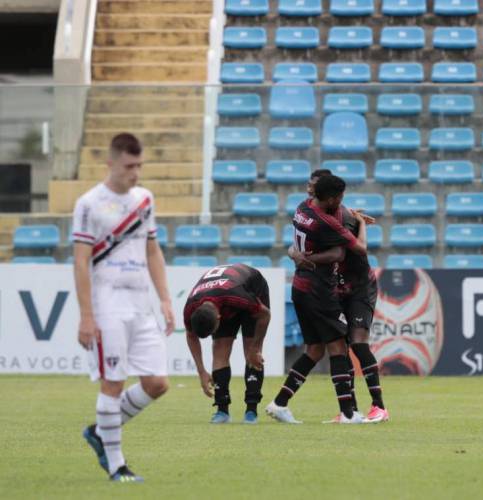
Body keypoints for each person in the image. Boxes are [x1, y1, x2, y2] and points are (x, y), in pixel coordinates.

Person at [73, 133, 175, 483]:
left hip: (140, 302)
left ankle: (101, 431)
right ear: (111, 164)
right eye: (130, 166)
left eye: (139, 166)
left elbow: (152, 249)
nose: (135, 173)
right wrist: (87, 316)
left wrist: (164, 298)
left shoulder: (144, 199)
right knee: (113, 384)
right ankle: (117, 466)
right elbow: (81, 261)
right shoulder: (89, 204)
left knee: (158, 383)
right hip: (107, 304)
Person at [266, 174, 369, 424]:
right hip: (318, 290)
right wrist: (361, 223)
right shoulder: (327, 223)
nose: (342, 200)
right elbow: (353, 250)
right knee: (338, 347)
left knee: (314, 350)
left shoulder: (303, 208)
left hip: (300, 287)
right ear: (332, 198)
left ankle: (279, 403)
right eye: (340, 197)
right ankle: (347, 413)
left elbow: (296, 247)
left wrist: (297, 255)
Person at [288, 171, 389, 423]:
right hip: (334, 288)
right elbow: (297, 245)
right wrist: (295, 253)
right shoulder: (315, 214)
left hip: (358, 287)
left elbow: (350, 252)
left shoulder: (341, 218)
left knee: (357, 341)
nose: (308, 188)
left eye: (312, 184)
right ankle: (350, 411)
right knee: (339, 346)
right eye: (308, 183)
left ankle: (379, 407)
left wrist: (361, 224)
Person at [183, 263, 271, 424]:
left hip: (251, 287)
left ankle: (251, 411)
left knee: (250, 351)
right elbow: (190, 336)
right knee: (220, 348)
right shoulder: (191, 307)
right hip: (221, 295)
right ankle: (222, 410)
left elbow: (265, 315)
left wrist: (256, 348)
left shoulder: (237, 297)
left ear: (219, 318)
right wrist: (201, 371)